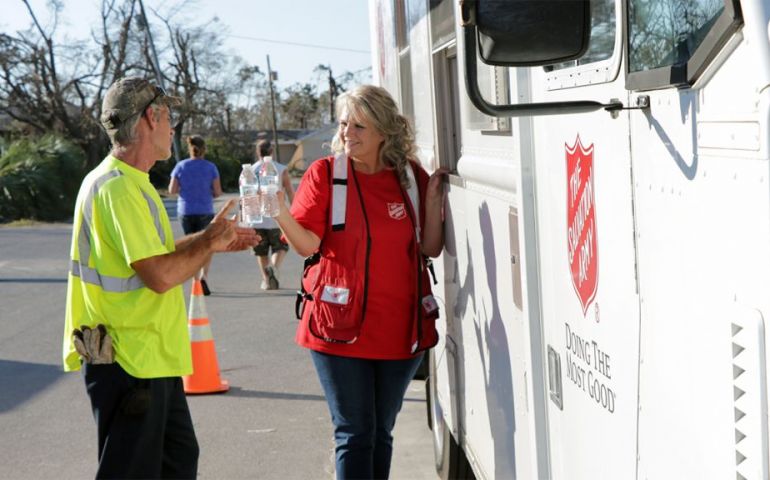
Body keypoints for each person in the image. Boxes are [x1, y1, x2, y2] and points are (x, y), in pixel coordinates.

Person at [62, 77, 258, 479]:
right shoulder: (117, 189)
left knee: (177, 461)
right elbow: (160, 275)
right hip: (129, 361)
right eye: (169, 117)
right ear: (151, 118)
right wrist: (208, 244)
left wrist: (209, 239)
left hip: (148, 359)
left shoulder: (133, 183)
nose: (173, 128)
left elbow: (159, 254)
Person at [274, 85, 447, 479]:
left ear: (384, 131)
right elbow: (306, 246)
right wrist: (279, 210)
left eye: (360, 127)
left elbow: (431, 247)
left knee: (380, 433)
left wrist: (433, 198)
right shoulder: (325, 174)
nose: (348, 134)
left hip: (400, 331)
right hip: (337, 329)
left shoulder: (407, 177)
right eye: (344, 124)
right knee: (353, 433)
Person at [168, 135, 222, 295]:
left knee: (191, 245)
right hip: (205, 210)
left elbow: (172, 190)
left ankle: (194, 278)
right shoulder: (211, 167)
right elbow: (218, 192)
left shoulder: (180, 166)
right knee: (206, 246)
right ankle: (203, 276)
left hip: (186, 211)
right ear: (204, 149)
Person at [250, 139, 295, 290]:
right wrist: (295, 209)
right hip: (277, 218)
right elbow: (289, 190)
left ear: (258, 152)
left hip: (256, 218)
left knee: (261, 252)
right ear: (271, 151)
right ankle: (274, 267)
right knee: (281, 246)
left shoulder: (250, 170)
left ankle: (266, 281)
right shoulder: (281, 168)